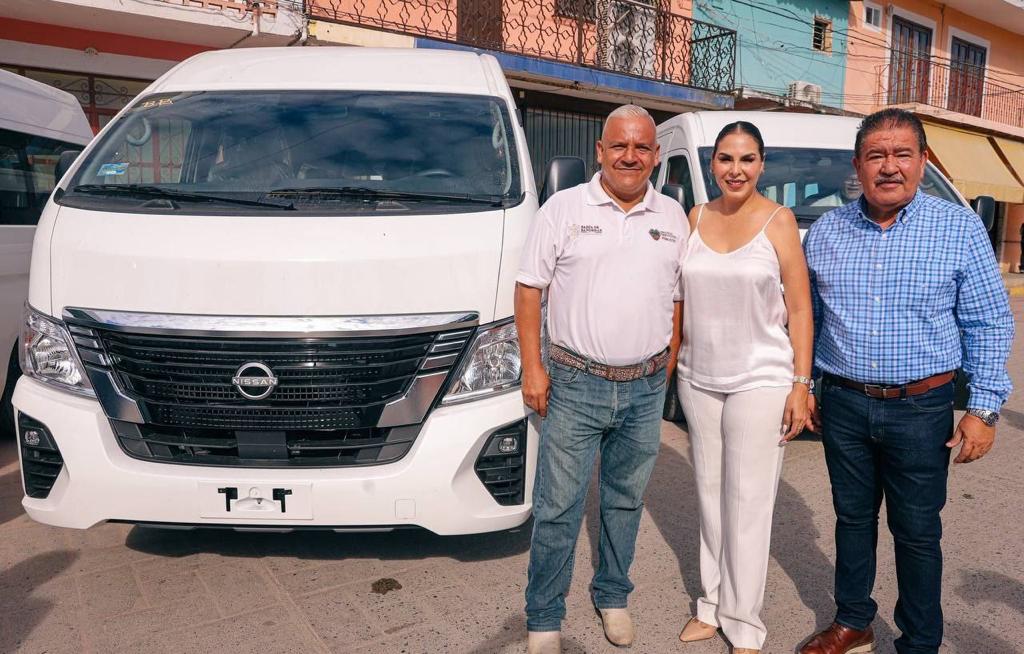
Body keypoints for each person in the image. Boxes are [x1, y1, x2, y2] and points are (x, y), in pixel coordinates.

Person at [800, 108, 1013, 654]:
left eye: (901, 154)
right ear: (857, 165)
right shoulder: (825, 232)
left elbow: (989, 321)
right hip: (844, 402)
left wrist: (983, 408)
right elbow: (810, 320)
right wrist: (805, 384)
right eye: (876, 155)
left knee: (917, 532)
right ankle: (854, 621)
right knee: (851, 519)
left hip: (921, 408)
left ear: (922, 161)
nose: (889, 166)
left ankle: (919, 641)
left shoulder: (958, 228)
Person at [514, 104, 688, 654]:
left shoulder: (673, 216)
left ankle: (613, 595)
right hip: (575, 383)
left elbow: (677, 297)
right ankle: (545, 617)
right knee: (557, 508)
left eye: (641, 147)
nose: (630, 156)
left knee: (625, 501)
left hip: (644, 388)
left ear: (655, 156)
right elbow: (529, 289)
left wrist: (667, 362)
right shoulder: (563, 209)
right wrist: (533, 367)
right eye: (619, 145)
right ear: (600, 151)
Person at [674, 121, 813, 654]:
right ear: (712, 163)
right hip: (698, 376)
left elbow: (800, 308)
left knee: (748, 501)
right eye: (726, 159)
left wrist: (801, 384)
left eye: (747, 159)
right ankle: (711, 604)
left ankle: (743, 622)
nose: (736, 170)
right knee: (710, 496)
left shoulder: (779, 221)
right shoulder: (695, 217)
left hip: (762, 376)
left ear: (762, 164)